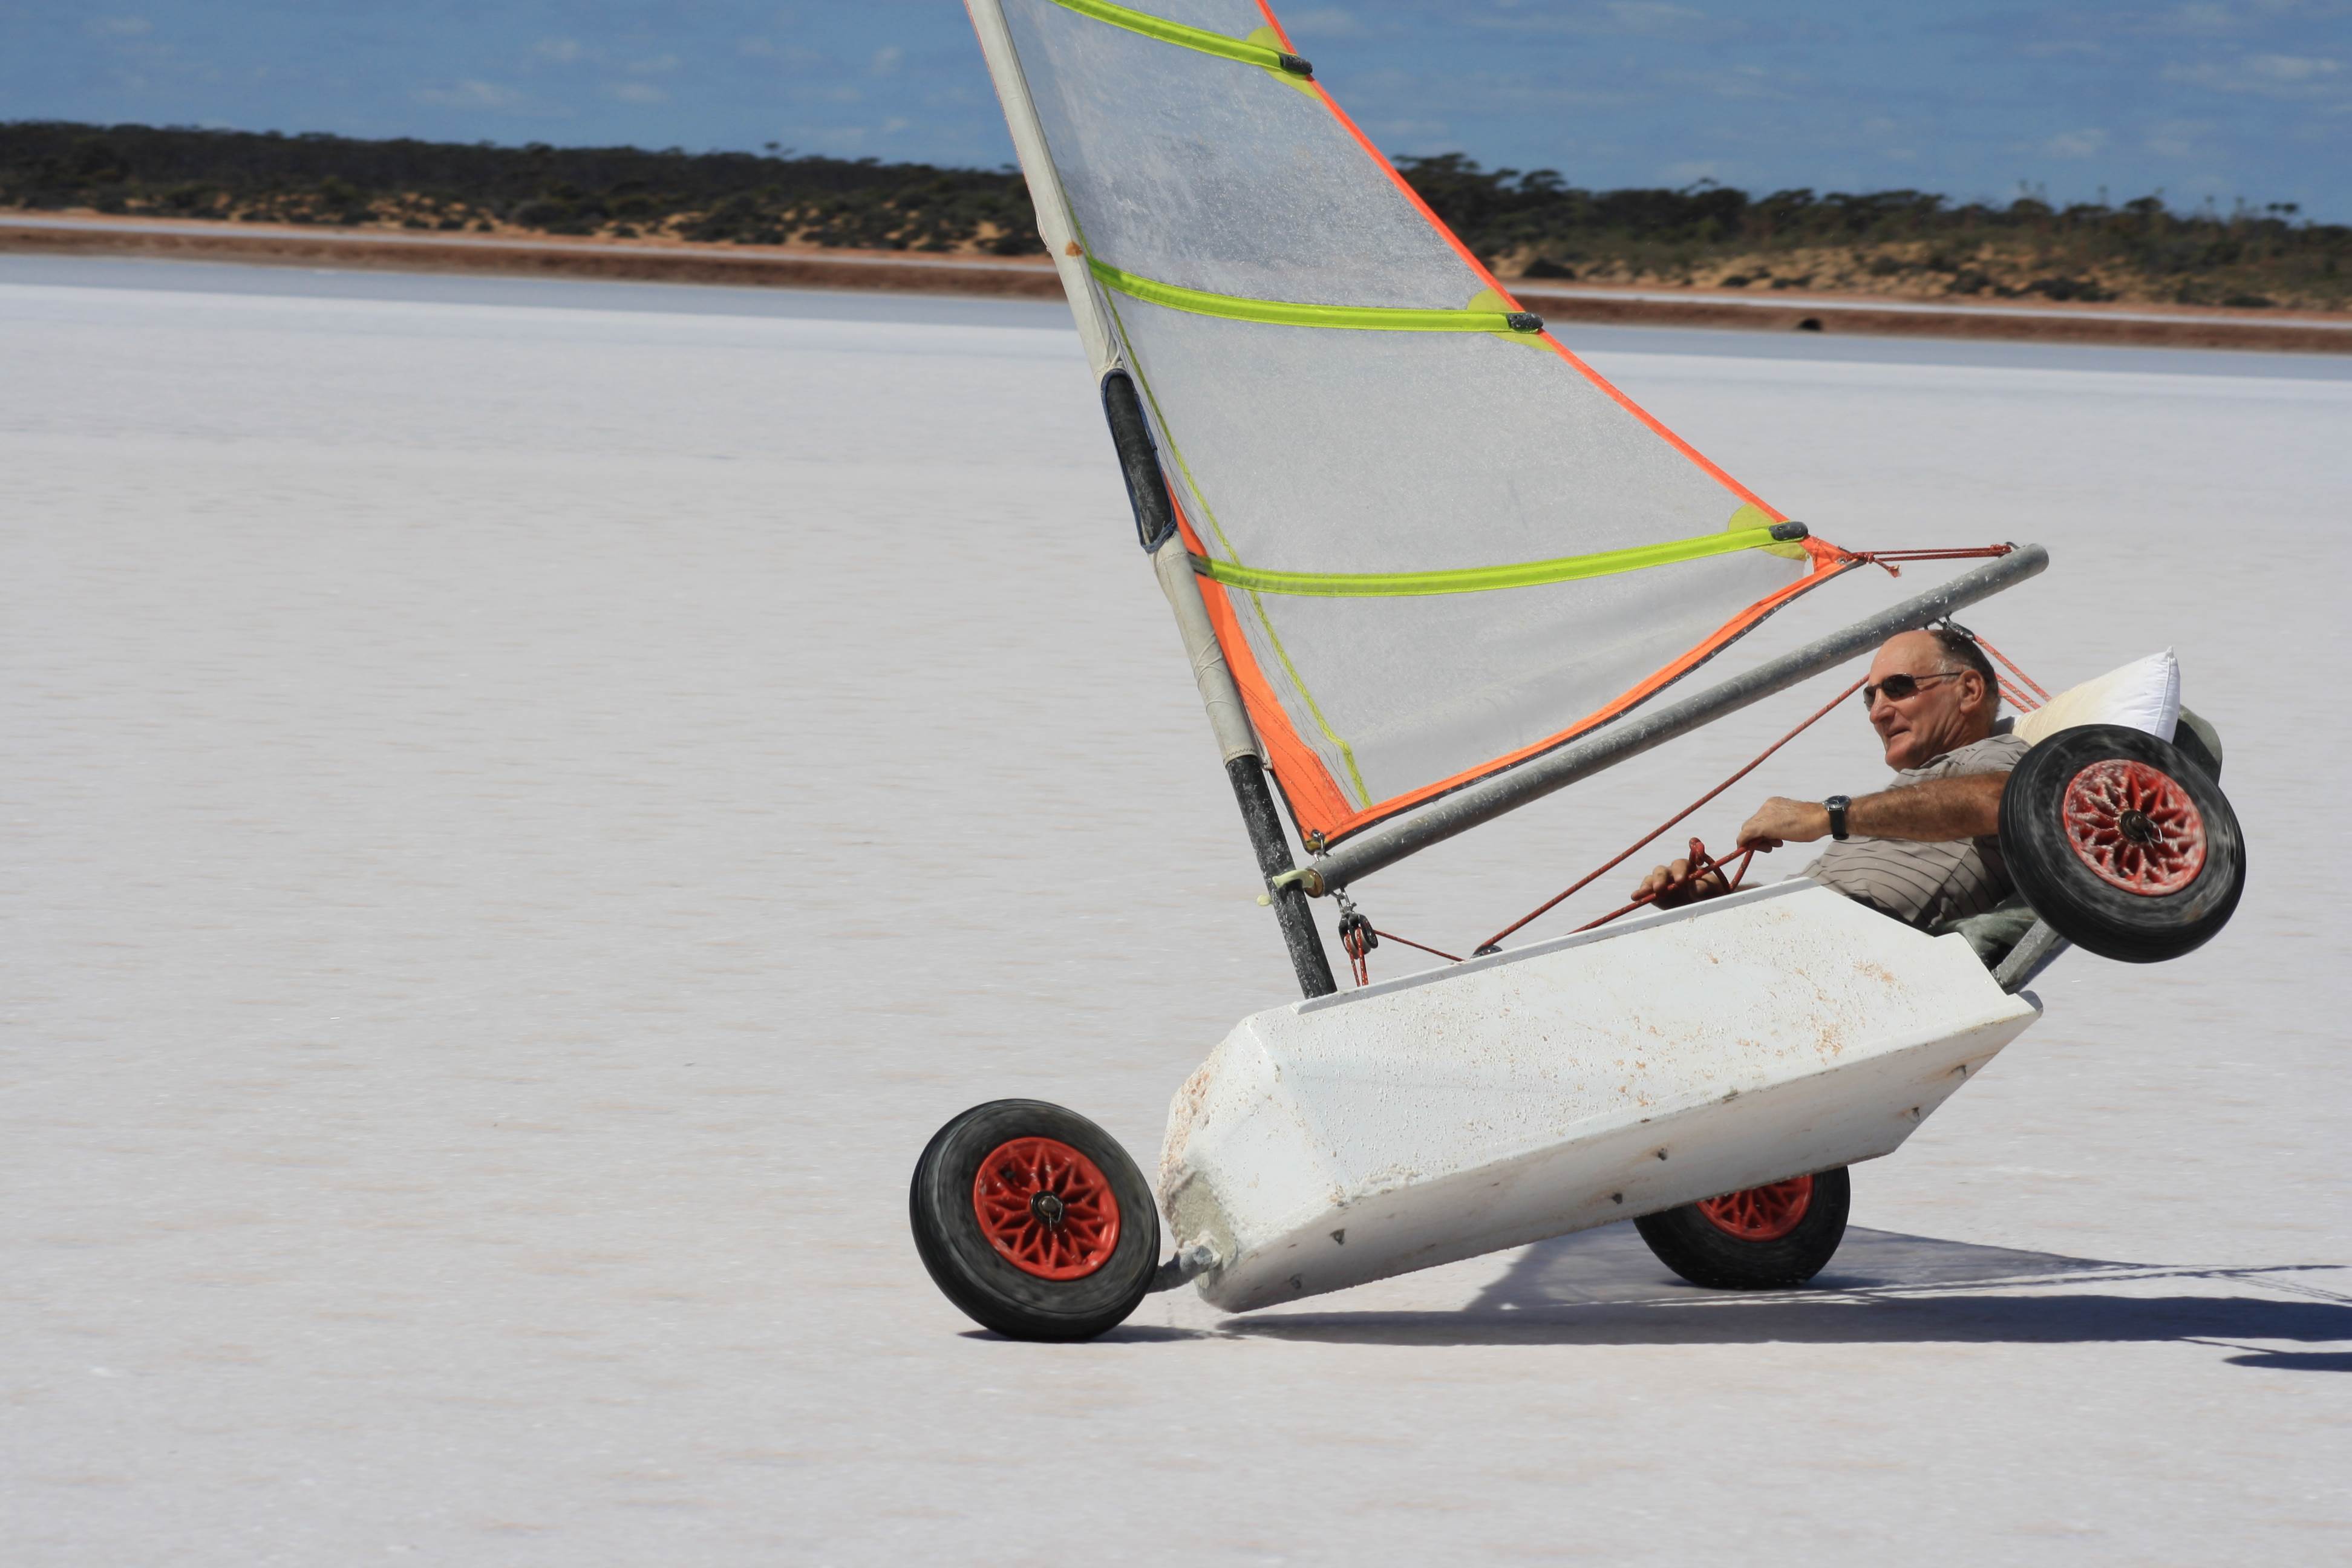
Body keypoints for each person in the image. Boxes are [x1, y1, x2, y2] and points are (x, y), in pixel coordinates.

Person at [1633, 626, 2029, 929]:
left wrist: (1828, 815)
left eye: (1898, 687)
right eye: (1870, 698)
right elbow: (1821, 898)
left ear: (1969, 690)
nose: (1877, 713)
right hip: (1796, 949)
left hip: (1838, 959)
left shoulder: (1996, 757)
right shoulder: (1904, 802)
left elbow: (2002, 801)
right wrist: (1716, 902)